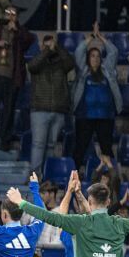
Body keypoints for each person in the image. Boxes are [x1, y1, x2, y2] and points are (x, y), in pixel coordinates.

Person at [0, 6, 34, 150]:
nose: (10, 16)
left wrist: (16, 30)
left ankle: (5, 141)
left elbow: (29, 40)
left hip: (12, 78)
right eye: (8, 13)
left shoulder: (19, 31)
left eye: (13, 14)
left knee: (9, 111)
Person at [72, 25, 121, 173]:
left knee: (107, 148)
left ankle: (111, 177)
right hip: (85, 116)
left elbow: (114, 51)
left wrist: (100, 38)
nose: (95, 59)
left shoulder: (107, 71)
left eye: (98, 56)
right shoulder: (83, 71)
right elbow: (78, 51)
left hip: (105, 117)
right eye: (92, 56)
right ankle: (74, 175)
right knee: (80, 147)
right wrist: (91, 38)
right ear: (88, 58)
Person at [28, 34, 75, 176]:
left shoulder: (62, 62)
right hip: (39, 110)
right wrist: (47, 51)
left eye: (51, 44)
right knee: (38, 144)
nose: (49, 46)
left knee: (51, 145)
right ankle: (35, 176)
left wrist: (58, 48)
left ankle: (47, 175)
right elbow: (32, 66)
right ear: (41, 46)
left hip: (58, 110)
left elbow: (70, 63)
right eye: (46, 44)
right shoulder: (37, 60)